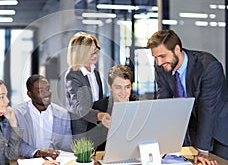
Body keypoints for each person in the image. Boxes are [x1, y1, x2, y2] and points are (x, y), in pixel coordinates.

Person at [147, 29, 228, 163]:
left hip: (219, 130)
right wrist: (159, 142)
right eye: (155, 57)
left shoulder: (208, 66)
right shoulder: (163, 68)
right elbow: (163, 104)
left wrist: (202, 150)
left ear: (177, 49)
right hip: (194, 130)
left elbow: (207, 109)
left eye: (162, 56)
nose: (159, 62)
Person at [14, 74, 72, 160]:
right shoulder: (17, 114)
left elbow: (67, 146)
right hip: (29, 161)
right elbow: (15, 144)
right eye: (41, 91)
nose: (47, 94)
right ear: (29, 94)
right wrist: (38, 153)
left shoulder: (62, 114)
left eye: (48, 89)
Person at [65, 32, 109, 139]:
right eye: (89, 52)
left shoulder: (95, 73)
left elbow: (98, 101)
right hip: (82, 131)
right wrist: (100, 116)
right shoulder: (73, 75)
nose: (94, 55)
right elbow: (80, 108)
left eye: (95, 50)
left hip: (96, 128)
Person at [88, 65, 135, 151]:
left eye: (127, 87)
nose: (123, 92)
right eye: (118, 87)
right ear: (109, 86)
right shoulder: (98, 108)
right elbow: (92, 145)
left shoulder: (140, 106)